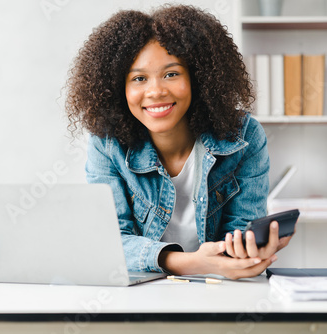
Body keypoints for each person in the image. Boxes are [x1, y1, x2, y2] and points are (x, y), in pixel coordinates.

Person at [65, 4, 293, 279]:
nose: (156, 91)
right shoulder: (107, 144)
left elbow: (241, 230)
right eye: (139, 78)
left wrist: (249, 248)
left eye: (171, 74)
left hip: (219, 291)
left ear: (198, 78)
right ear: (118, 88)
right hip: (143, 295)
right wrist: (189, 262)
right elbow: (110, 240)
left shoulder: (243, 136)